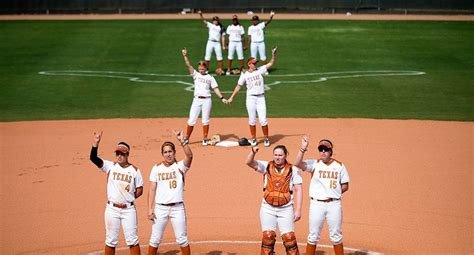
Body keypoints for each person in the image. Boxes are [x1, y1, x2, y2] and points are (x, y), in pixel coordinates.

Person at [89, 131, 143, 255]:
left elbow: (140, 190)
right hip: (112, 209)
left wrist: (127, 198)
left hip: (129, 210)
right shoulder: (110, 166)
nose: (119, 156)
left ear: (127, 154)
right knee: (111, 240)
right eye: (117, 153)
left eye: (122, 154)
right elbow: (93, 158)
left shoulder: (135, 171)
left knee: (133, 240)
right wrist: (95, 143)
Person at [294, 136, 350, 255]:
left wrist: (334, 193)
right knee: (313, 235)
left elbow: (345, 185)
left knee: (336, 235)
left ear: (331, 151)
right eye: (321, 149)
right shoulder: (314, 164)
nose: (323, 152)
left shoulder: (340, 166)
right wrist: (303, 148)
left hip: (334, 204)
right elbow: (297, 163)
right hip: (317, 204)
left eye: (325, 149)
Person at [245, 145, 303, 255]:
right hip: (267, 208)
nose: (277, 157)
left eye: (280, 155)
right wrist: (253, 152)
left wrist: (298, 210)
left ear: (285, 155)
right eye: (275, 155)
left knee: (289, 238)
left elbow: (299, 190)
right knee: (268, 236)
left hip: (286, 209)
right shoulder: (266, 166)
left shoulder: (293, 170)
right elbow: (249, 162)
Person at [147, 130, 193, 255]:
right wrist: (150, 209)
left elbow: (189, 156)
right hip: (160, 209)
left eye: (170, 151)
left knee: (182, 239)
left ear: (174, 152)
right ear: (162, 154)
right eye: (165, 152)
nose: (168, 154)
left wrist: (182, 141)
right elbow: (152, 189)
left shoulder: (180, 166)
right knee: (155, 239)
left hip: (177, 208)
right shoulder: (156, 168)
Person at [226, 47, 278, 147]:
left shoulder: (260, 70)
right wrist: (232, 97)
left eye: (256, 63)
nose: (255, 65)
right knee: (252, 120)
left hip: (261, 98)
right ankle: (254, 138)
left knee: (263, 120)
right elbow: (238, 86)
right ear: (249, 64)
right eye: (254, 63)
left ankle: (266, 138)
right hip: (251, 98)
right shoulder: (244, 74)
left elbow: (271, 63)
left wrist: (273, 54)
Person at [181, 47, 227, 145]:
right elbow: (188, 65)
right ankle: (186, 138)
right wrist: (185, 56)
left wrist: (222, 98)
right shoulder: (196, 75)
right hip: (196, 100)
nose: (201, 70)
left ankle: (205, 139)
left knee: (205, 120)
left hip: (207, 100)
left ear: (206, 68)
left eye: (202, 68)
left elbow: (215, 88)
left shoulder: (210, 78)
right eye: (200, 68)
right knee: (191, 120)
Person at [198, 10, 225, 75]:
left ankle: (220, 69)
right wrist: (201, 15)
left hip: (217, 43)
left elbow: (223, 37)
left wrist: (223, 45)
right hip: (210, 42)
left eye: (216, 20)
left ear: (218, 21)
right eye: (214, 20)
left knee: (219, 57)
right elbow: (204, 21)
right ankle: (206, 69)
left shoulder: (221, 27)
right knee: (207, 57)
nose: (215, 21)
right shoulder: (210, 25)